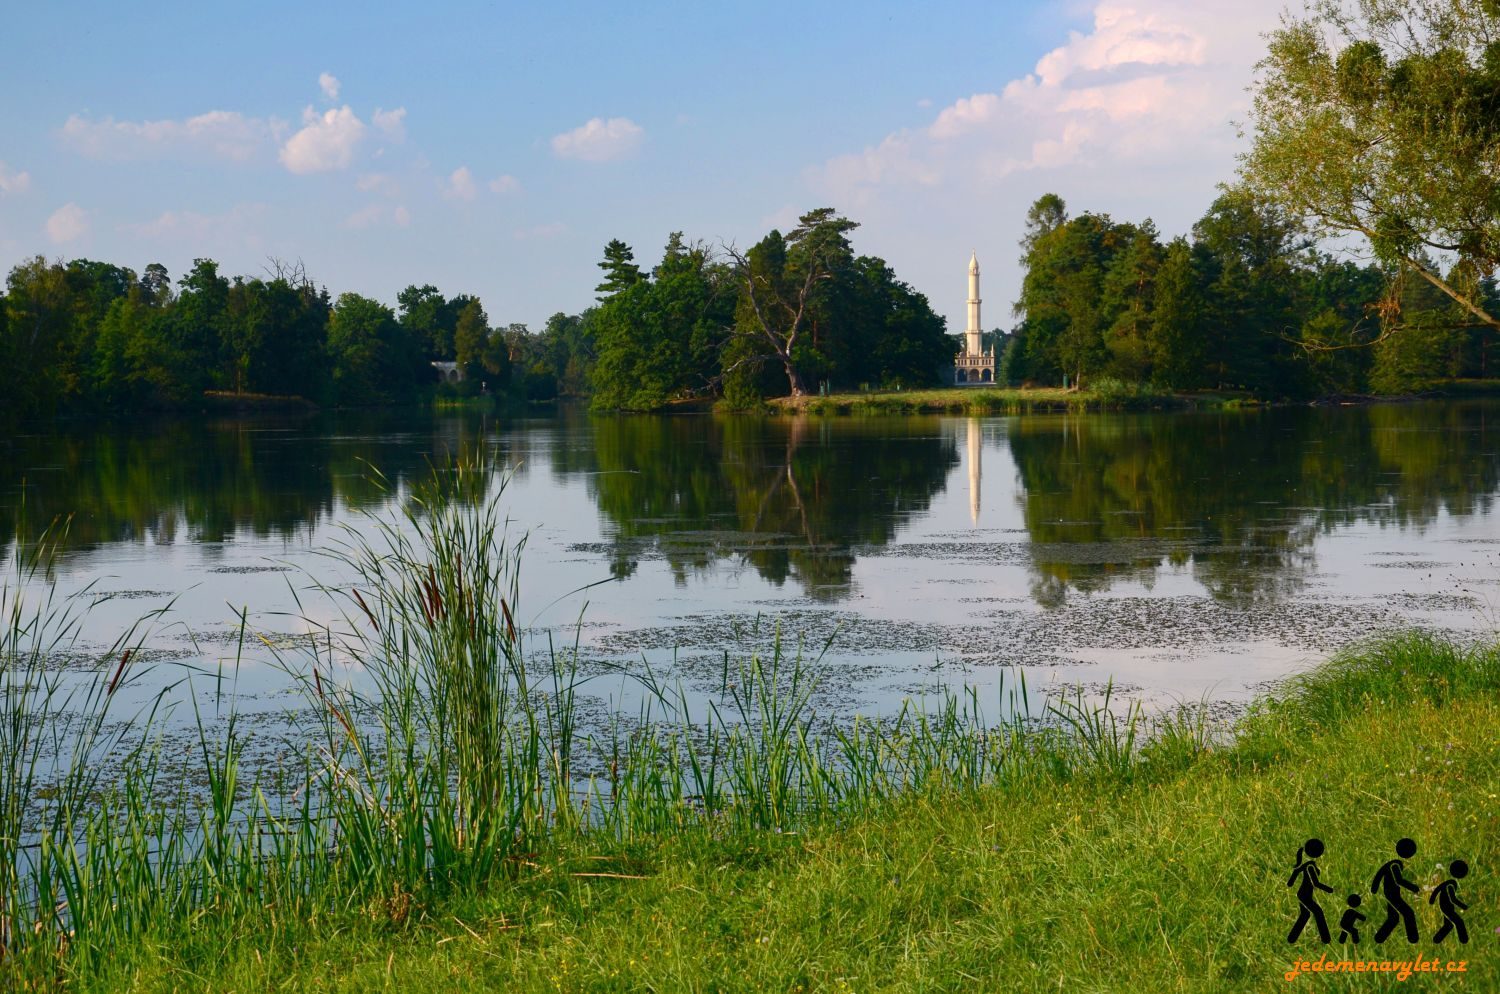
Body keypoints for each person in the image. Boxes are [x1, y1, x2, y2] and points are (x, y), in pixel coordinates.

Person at [1371, 838, 1420, 944]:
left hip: (1390, 893)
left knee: (1393, 918)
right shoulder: (1395, 865)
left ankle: (1379, 938)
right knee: (1408, 913)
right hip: (1392, 894)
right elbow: (1399, 880)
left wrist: (1374, 888)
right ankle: (1413, 938)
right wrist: (1413, 888)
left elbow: (1379, 875)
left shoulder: (1390, 864)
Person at [1287, 838, 1334, 944]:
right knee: (1318, 912)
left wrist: (1290, 882)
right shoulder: (1310, 866)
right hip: (1304, 895)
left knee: (1305, 915)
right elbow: (1316, 883)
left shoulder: (1307, 865)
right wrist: (1330, 889)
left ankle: (1292, 938)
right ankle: (1326, 938)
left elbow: (1295, 873)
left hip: (1303, 894)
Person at [1431, 860, 1470, 944]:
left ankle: (1436, 940)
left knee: (1448, 925)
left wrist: (1432, 899)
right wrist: (1463, 906)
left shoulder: (1447, 882)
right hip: (1447, 907)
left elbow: (1437, 890)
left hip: (1445, 906)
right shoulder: (1451, 885)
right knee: (1459, 922)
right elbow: (1453, 899)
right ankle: (1464, 940)